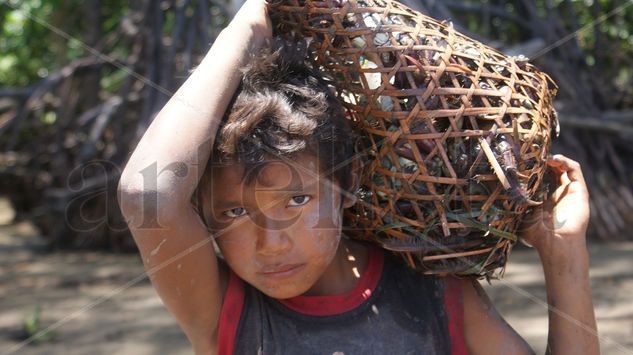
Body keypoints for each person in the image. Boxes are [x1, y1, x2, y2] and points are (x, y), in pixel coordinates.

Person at [117, 0, 600, 353]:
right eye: (236, 211)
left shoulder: (434, 295)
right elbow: (148, 195)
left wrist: (564, 255)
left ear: (347, 183)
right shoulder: (228, 312)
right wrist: (248, 24)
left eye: (296, 200)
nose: (271, 244)